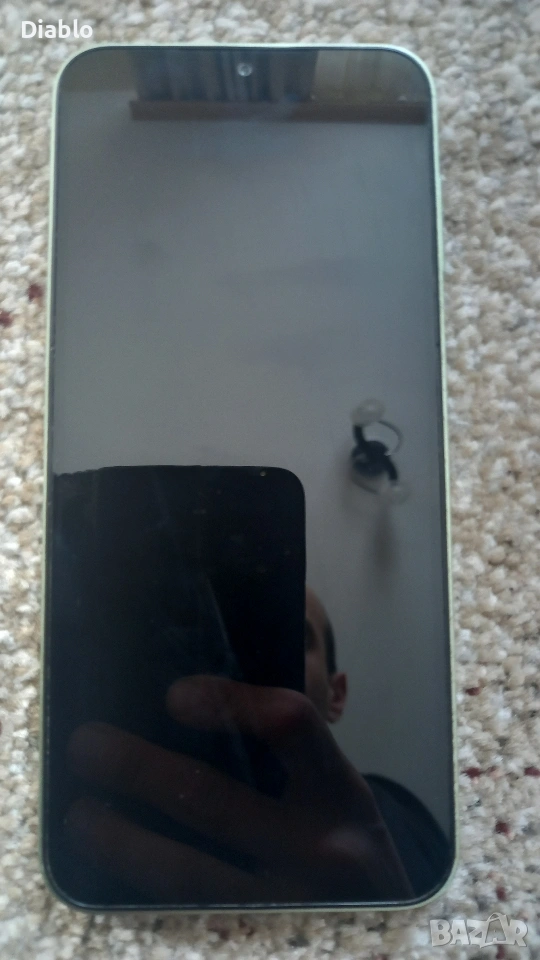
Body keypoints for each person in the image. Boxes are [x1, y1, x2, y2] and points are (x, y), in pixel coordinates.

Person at [65, 587, 450, 905]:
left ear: (337, 694)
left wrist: (380, 930)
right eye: (237, 634)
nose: (255, 652)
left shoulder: (403, 813)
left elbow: (463, 932)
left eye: (292, 636)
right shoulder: (108, 802)